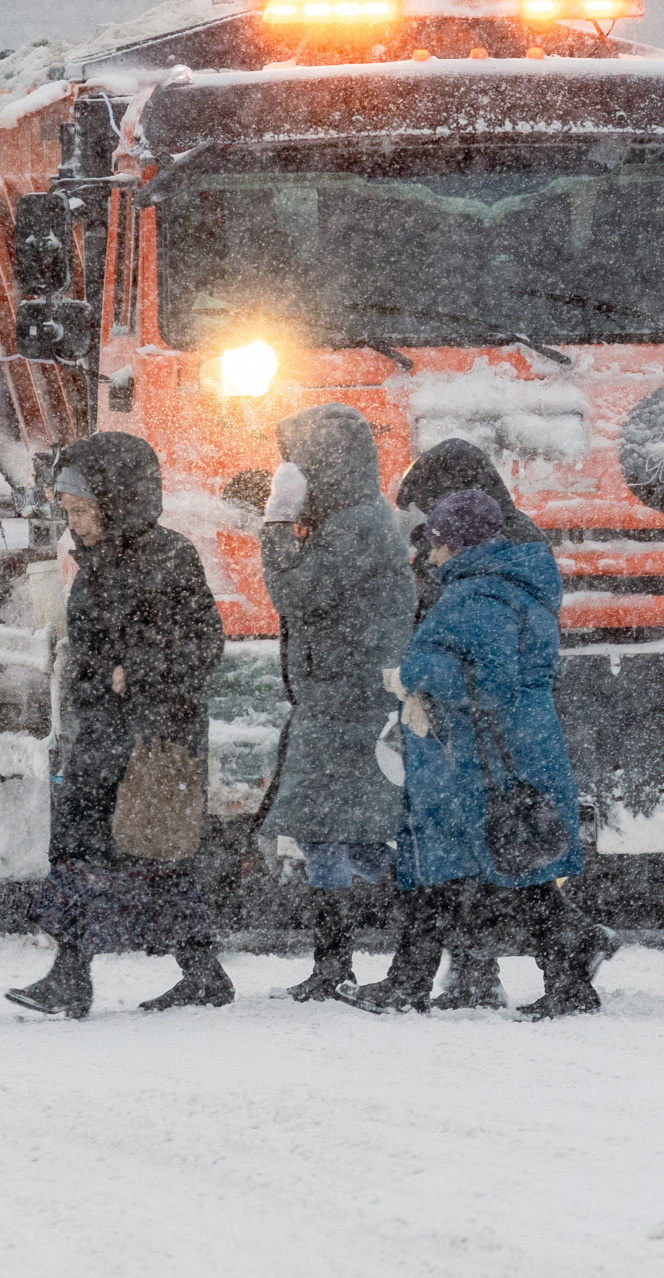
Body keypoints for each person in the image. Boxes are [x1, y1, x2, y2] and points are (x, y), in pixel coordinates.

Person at [347, 487, 609, 1018]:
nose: (431, 553)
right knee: (470, 870)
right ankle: (417, 981)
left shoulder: (480, 594)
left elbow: (489, 682)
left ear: (460, 544)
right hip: (500, 749)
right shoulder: (505, 586)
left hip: (480, 758)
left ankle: (417, 983)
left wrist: (412, 674)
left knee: (479, 867)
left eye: (439, 542)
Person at [7, 432, 230, 1017]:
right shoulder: (97, 562)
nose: (75, 523)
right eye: (70, 512)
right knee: (109, 853)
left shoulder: (170, 557)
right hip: (106, 735)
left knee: (143, 854)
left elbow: (204, 643)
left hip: (153, 738)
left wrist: (139, 671)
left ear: (120, 501)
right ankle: (185, 973)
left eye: (83, 510)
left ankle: (77, 977)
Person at [255, 405, 414, 1003]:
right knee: (350, 837)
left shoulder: (357, 526)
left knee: (335, 834)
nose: (291, 473)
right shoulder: (357, 518)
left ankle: (341, 960)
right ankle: (354, 955)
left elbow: (294, 592)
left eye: (299, 460)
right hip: (341, 698)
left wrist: (275, 521)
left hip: (349, 702)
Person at [394, 437, 552, 1010]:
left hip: (474, 724)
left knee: (475, 846)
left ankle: (477, 969)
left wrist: (422, 669)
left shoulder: (483, 554)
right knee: (489, 847)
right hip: (489, 723)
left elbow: (470, 645)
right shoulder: (519, 540)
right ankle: (475, 968)